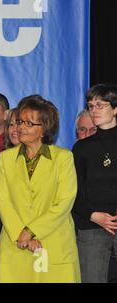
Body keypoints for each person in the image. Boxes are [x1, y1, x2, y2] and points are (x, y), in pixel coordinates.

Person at [0, 95, 80, 283]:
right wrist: (20, 234)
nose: (21, 127)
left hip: (52, 242)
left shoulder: (63, 158)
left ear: (44, 129)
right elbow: (2, 199)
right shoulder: (5, 158)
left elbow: (64, 202)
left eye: (29, 123)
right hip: (15, 243)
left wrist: (31, 230)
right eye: (20, 122)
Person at [72, 84, 117, 283]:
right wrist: (93, 215)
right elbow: (73, 191)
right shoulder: (81, 148)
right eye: (91, 106)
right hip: (91, 226)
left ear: (115, 109)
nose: (94, 110)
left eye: (100, 105)